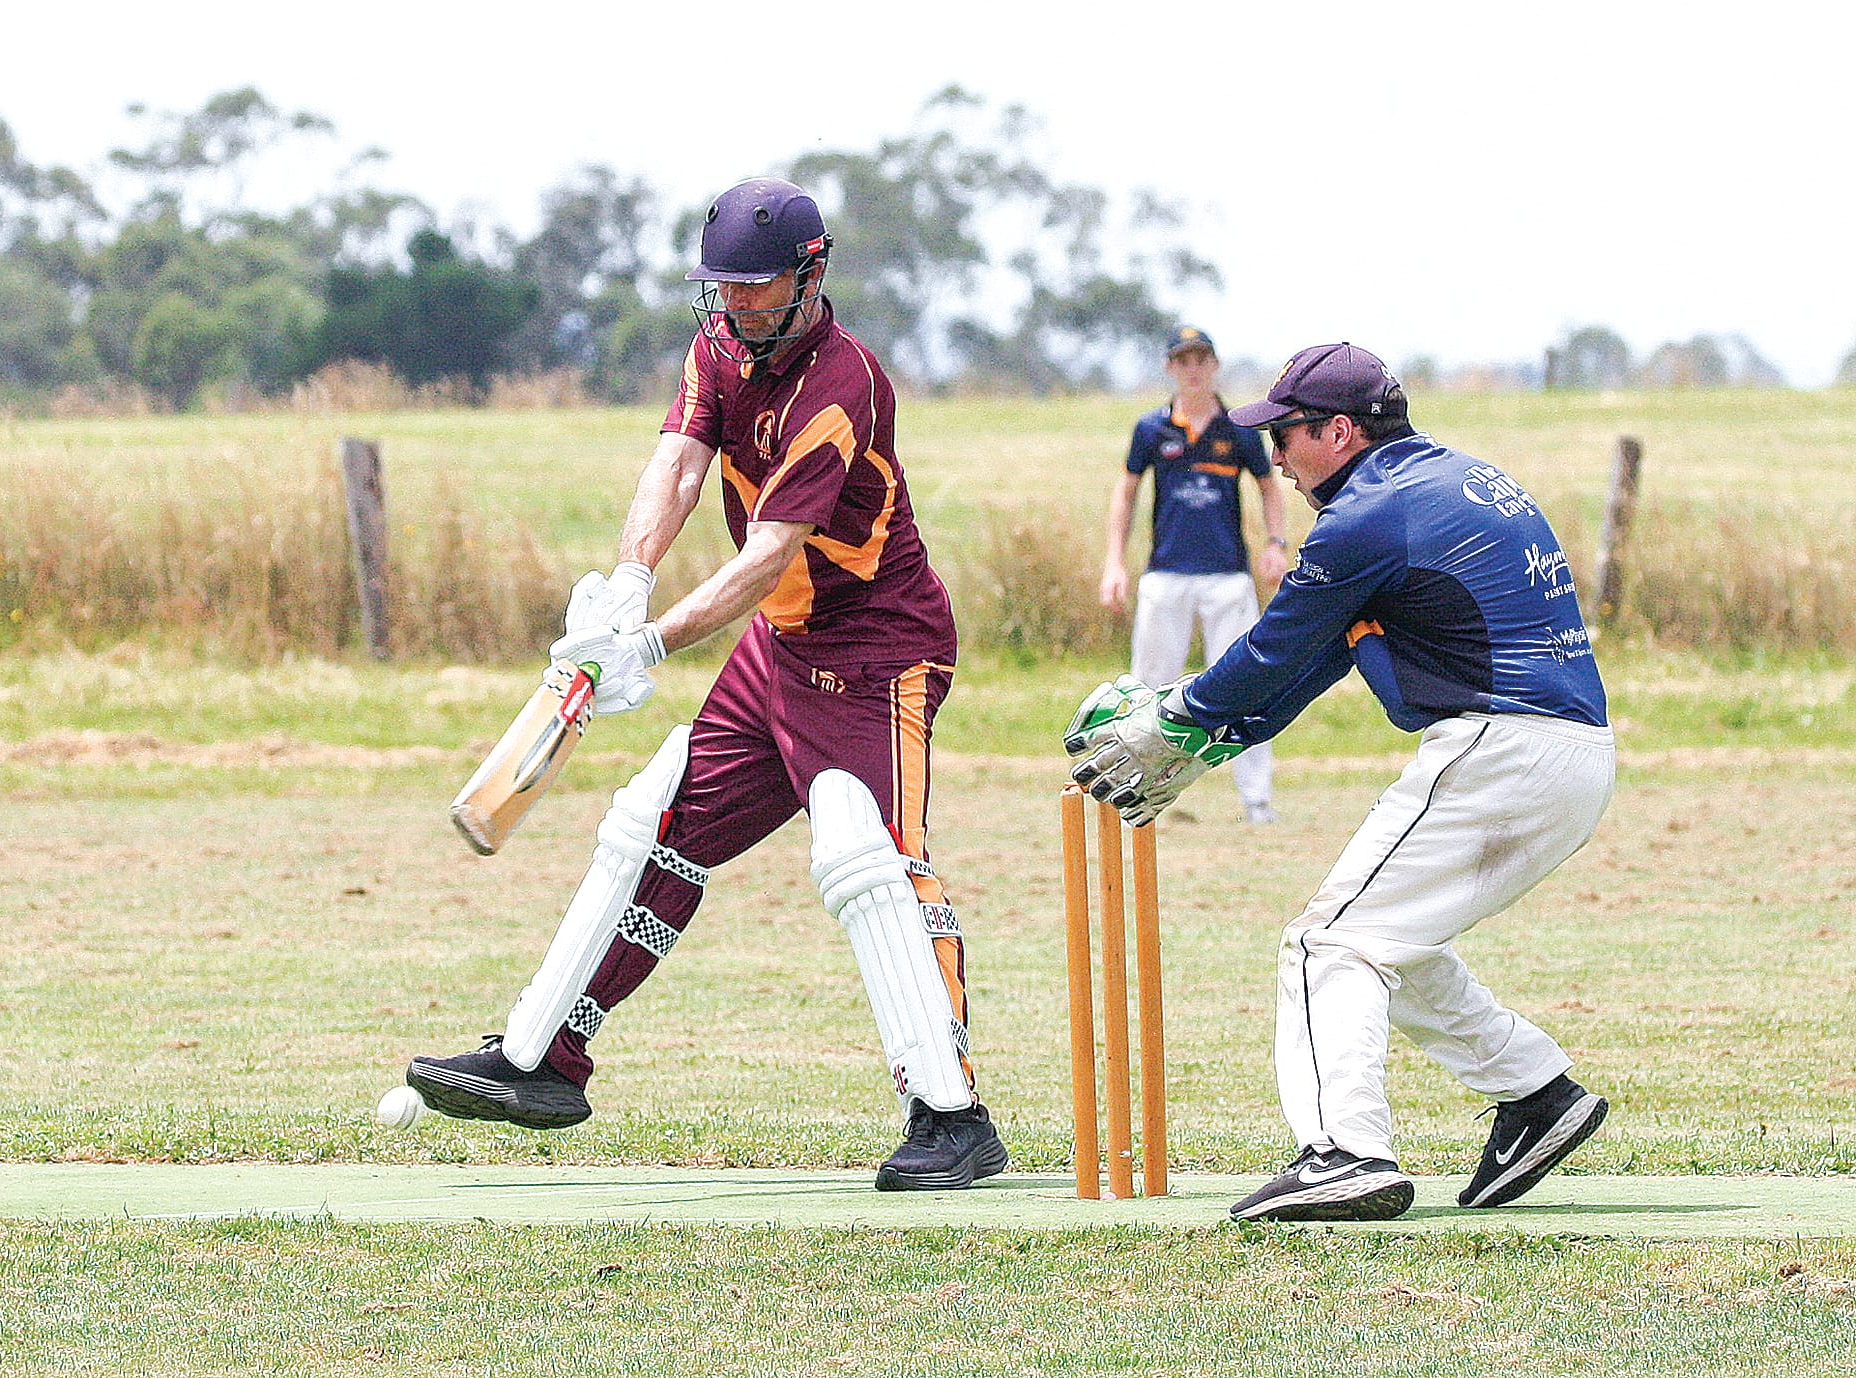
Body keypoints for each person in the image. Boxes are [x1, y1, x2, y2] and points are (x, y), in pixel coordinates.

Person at [406, 177, 1007, 1192]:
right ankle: (541, 1056)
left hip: (878, 652)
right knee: (648, 821)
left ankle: (951, 1114)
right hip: (775, 653)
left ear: (811, 278)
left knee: (866, 855)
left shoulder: (841, 382)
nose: (735, 307)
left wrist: (650, 647)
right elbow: (677, 467)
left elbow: (769, 552)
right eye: (722, 288)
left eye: (756, 288)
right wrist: (625, 586)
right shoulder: (719, 349)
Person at [1065, 342, 1615, 1222]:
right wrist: (1211, 740)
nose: (1275, 455)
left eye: (1287, 435)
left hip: (1502, 749)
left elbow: (1273, 652)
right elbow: (1315, 661)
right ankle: (1536, 1093)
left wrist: (1176, 719)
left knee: (1328, 944)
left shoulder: (1366, 516)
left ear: (1339, 431)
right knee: (1391, 937)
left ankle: (1343, 1154)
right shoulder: (1449, 479)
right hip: (1570, 754)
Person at [1100, 326, 1291, 824]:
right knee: (1150, 685)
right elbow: (1126, 493)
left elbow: (1271, 488)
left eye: (1201, 359)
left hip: (1228, 576)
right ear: (1170, 367)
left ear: (1214, 365)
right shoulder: (1151, 429)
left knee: (1246, 683)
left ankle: (1257, 801)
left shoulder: (1239, 430)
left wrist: (1276, 544)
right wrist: (1114, 562)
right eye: (1183, 360)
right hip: (1166, 574)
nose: (1193, 369)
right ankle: (1139, 794)